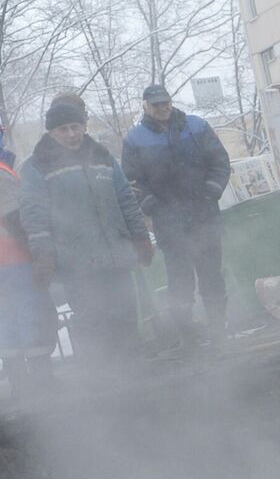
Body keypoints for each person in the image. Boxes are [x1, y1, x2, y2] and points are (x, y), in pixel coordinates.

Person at [21, 98, 154, 374]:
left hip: (116, 256)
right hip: (77, 263)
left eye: (75, 127)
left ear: (83, 126)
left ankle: (135, 374)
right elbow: (35, 216)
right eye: (63, 130)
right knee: (95, 320)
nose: (71, 134)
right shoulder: (37, 166)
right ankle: (103, 378)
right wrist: (43, 255)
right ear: (51, 133)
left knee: (126, 315)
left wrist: (140, 237)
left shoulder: (103, 157)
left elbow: (125, 200)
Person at [122, 83, 231, 349]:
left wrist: (211, 192)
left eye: (166, 102)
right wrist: (153, 207)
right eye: (156, 104)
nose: (163, 108)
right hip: (168, 222)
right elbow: (132, 181)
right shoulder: (135, 139)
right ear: (145, 106)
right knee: (179, 280)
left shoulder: (196, 126)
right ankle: (188, 336)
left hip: (204, 215)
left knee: (211, 275)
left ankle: (219, 330)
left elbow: (220, 162)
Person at [0, 130, 57, 395]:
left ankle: (18, 381)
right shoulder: (2, 170)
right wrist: (38, 250)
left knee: (7, 318)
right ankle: (41, 381)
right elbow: (14, 215)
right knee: (29, 314)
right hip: (14, 257)